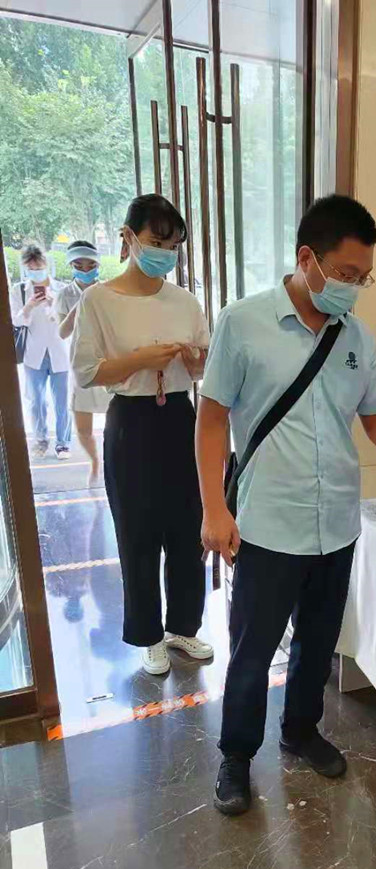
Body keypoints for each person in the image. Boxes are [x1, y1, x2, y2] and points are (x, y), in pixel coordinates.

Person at [197, 193, 376, 816]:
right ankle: (237, 756)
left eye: (363, 277)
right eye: (345, 273)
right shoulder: (243, 323)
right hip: (268, 523)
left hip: (337, 522)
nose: (353, 287)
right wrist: (213, 509)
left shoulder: (356, 337)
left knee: (318, 642)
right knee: (253, 651)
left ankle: (300, 730)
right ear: (306, 258)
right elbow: (211, 421)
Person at [71, 194, 213, 676]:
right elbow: (87, 371)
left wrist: (195, 362)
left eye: (173, 247)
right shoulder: (99, 299)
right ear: (129, 237)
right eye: (157, 242)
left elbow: (204, 365)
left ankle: (184, 627)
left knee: (188, 528)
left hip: (180, 417)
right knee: (137, 533)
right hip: (130, 421)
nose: (165, 254)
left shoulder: (184, 301)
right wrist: (139, 360)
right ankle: (148, 635)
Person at [56, 240, 110, 484]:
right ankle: (94, 461)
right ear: (71, 266)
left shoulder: (108, 290)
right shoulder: (65, 295)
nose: (86, 270)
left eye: (91, 265)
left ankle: (110, 462)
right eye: (79, 265)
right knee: (83, 428)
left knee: (115, 420)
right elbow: (62, 332)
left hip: (108, 361)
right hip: (80, 364)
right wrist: (81, 303)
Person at [10, 244, 71, 459]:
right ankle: (40, 440)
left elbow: (69, 321)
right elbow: (16, 321)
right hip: (33, 354)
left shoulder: (61, 289)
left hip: (59, 353)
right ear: (25, 268)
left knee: (62, 402)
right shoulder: (19, 290)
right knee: (36, 401)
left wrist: (54, 304)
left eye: (39, 267)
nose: (36, 272)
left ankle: (63, 444)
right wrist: (28, 307)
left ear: (46, 265)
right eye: (31, 268)